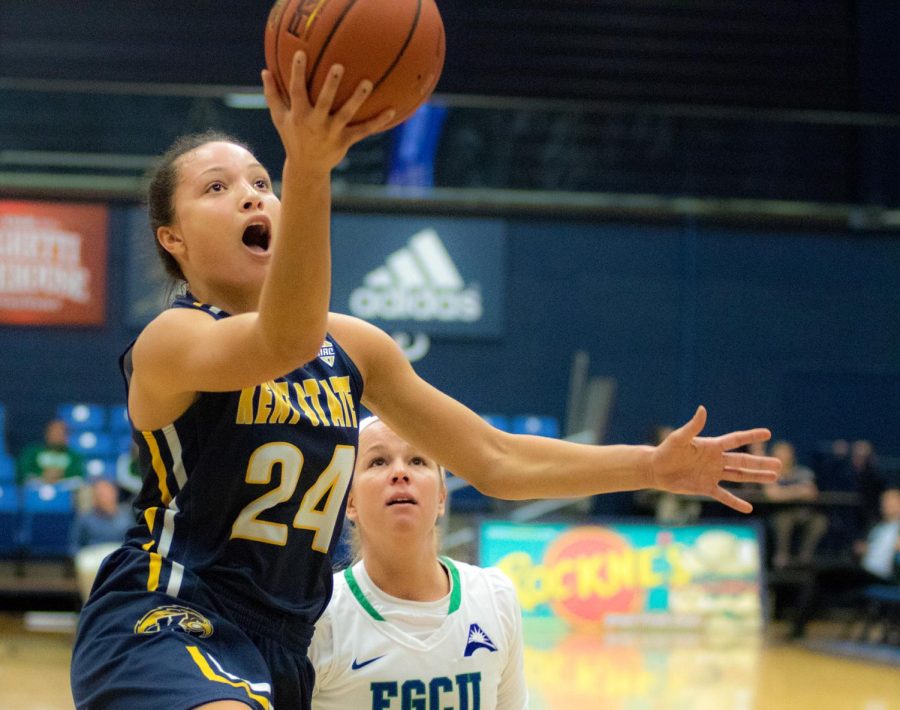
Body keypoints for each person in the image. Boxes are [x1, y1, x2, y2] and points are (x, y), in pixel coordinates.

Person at [70, 52, 781, 710]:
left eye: (262, 182)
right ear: (173, 237)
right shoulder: (172, 340)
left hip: (285, 641)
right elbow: (281, 339)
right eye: (218, 189)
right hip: (168, 612)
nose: (253, 198)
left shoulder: (354, 347)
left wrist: (650, 466)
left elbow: (494, 459)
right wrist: (310, 169)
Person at [309, 417, 527, 709]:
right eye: (378, 462)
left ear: (441, 497)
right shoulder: (318, 617)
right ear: (350, 503)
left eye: (417, 460)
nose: (400, 472)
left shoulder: (495, 598)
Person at [789, 487, 900, 639]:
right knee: (819, 576)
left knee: (826, 571)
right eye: (884, 501)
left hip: (885, 576)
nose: (886, 505)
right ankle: (798, 628)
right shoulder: (876, 527)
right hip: (864, 571)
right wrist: (862, 549)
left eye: (891, 501)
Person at [764, 440, 828, 568]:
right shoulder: (769, 473)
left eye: (786, 453)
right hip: (778, 514)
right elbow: (773, 495)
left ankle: (805, 557)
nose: (783, 457)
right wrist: (799, 491)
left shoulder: (803, 472)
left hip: (803, 513)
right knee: (783, 520)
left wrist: (785, 493)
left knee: (820, 521)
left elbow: (811, 492)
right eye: (779, 454)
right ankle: (781, 557)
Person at [69, 478, 134, 601]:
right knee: (86, 563)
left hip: (119, 552)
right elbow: (75, 545)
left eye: (105, 492)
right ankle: (91, 606)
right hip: (93, 555)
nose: (102, 496)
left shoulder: (126, 516)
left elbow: (134, 540)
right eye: (98, 493)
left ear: (114, 493)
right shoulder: (85, 518)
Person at [16, 418, 85, 486]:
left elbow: (79, 474)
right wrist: (43, 474)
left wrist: (60, 474)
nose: (57, 436)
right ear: (47, 434)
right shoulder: (33, 452)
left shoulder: (73, 455)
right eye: (54, 432)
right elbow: (23, 472)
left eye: (61, 433)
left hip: (63, 485)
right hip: (38, 484)